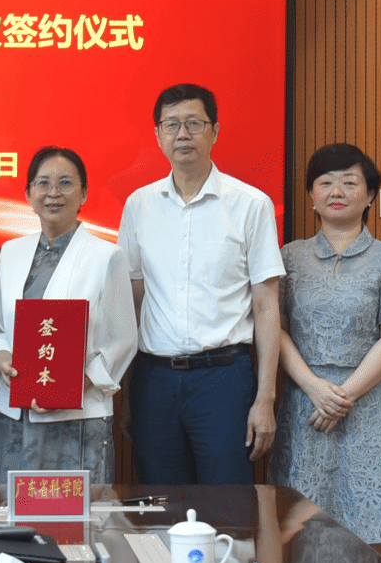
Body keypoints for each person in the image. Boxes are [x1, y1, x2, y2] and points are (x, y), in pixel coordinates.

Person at [118, 83, 284, 484]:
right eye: (171, 125)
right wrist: (126, 390)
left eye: (194, 123)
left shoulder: (251, 204)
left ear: (215, 131)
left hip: (223, 379)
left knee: (228, 504)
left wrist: (265, 398)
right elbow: (133, 299)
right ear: (158, 135)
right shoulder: (139, 205)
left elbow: (266, 305)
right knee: (161, 503)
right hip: (154, 380)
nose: (183, 134)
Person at [268, 143, 381, 545]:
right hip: (307, 403)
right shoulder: (289, 257)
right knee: (299, 529)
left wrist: (343, 397)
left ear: (370, 195)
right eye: (325, 183)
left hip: (370, 404)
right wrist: (314, 388)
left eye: (350, 182)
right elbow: (275, 331)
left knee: (367, 530)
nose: (336, 191)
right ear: (311, 195)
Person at [0, 146, 139, 483]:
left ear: (83, 193)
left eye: (66, 183)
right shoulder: (11, 252)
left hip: (78, 415)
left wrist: (75, 385)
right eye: (43, 183)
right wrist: (0, 357)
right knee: (11, 509)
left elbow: (123, 339)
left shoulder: (107, 256)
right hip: (13, 413)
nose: (53, 193)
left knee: (73, 512)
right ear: (28, 194)